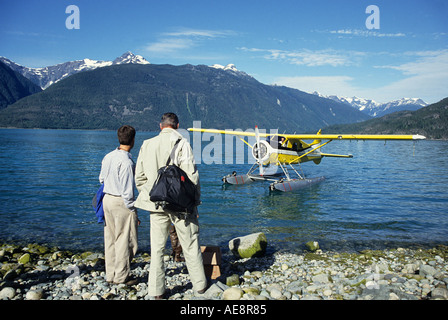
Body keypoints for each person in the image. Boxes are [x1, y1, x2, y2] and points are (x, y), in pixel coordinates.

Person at [135, 112, 207, 299]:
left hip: (156, 203)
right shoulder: (182, 143)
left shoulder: (147, 144)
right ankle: (199, 286)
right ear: (177, 126)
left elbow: (139, 177)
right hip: (181, 205)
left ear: (161, 126)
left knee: (157, 248)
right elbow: (192, 176)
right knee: (190, 243)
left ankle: (157, 291)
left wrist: (153, 191)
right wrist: (195, 202)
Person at [99, 125, 139, 285]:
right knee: (125, 240)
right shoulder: (127, 162)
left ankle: (110, 274)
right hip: (121, 202)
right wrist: (133, 210)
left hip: (107, 199)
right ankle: (121, 277)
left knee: (110, 238)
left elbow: (101, 179)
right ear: (133, 140)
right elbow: (128, 192)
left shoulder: (108, 156)